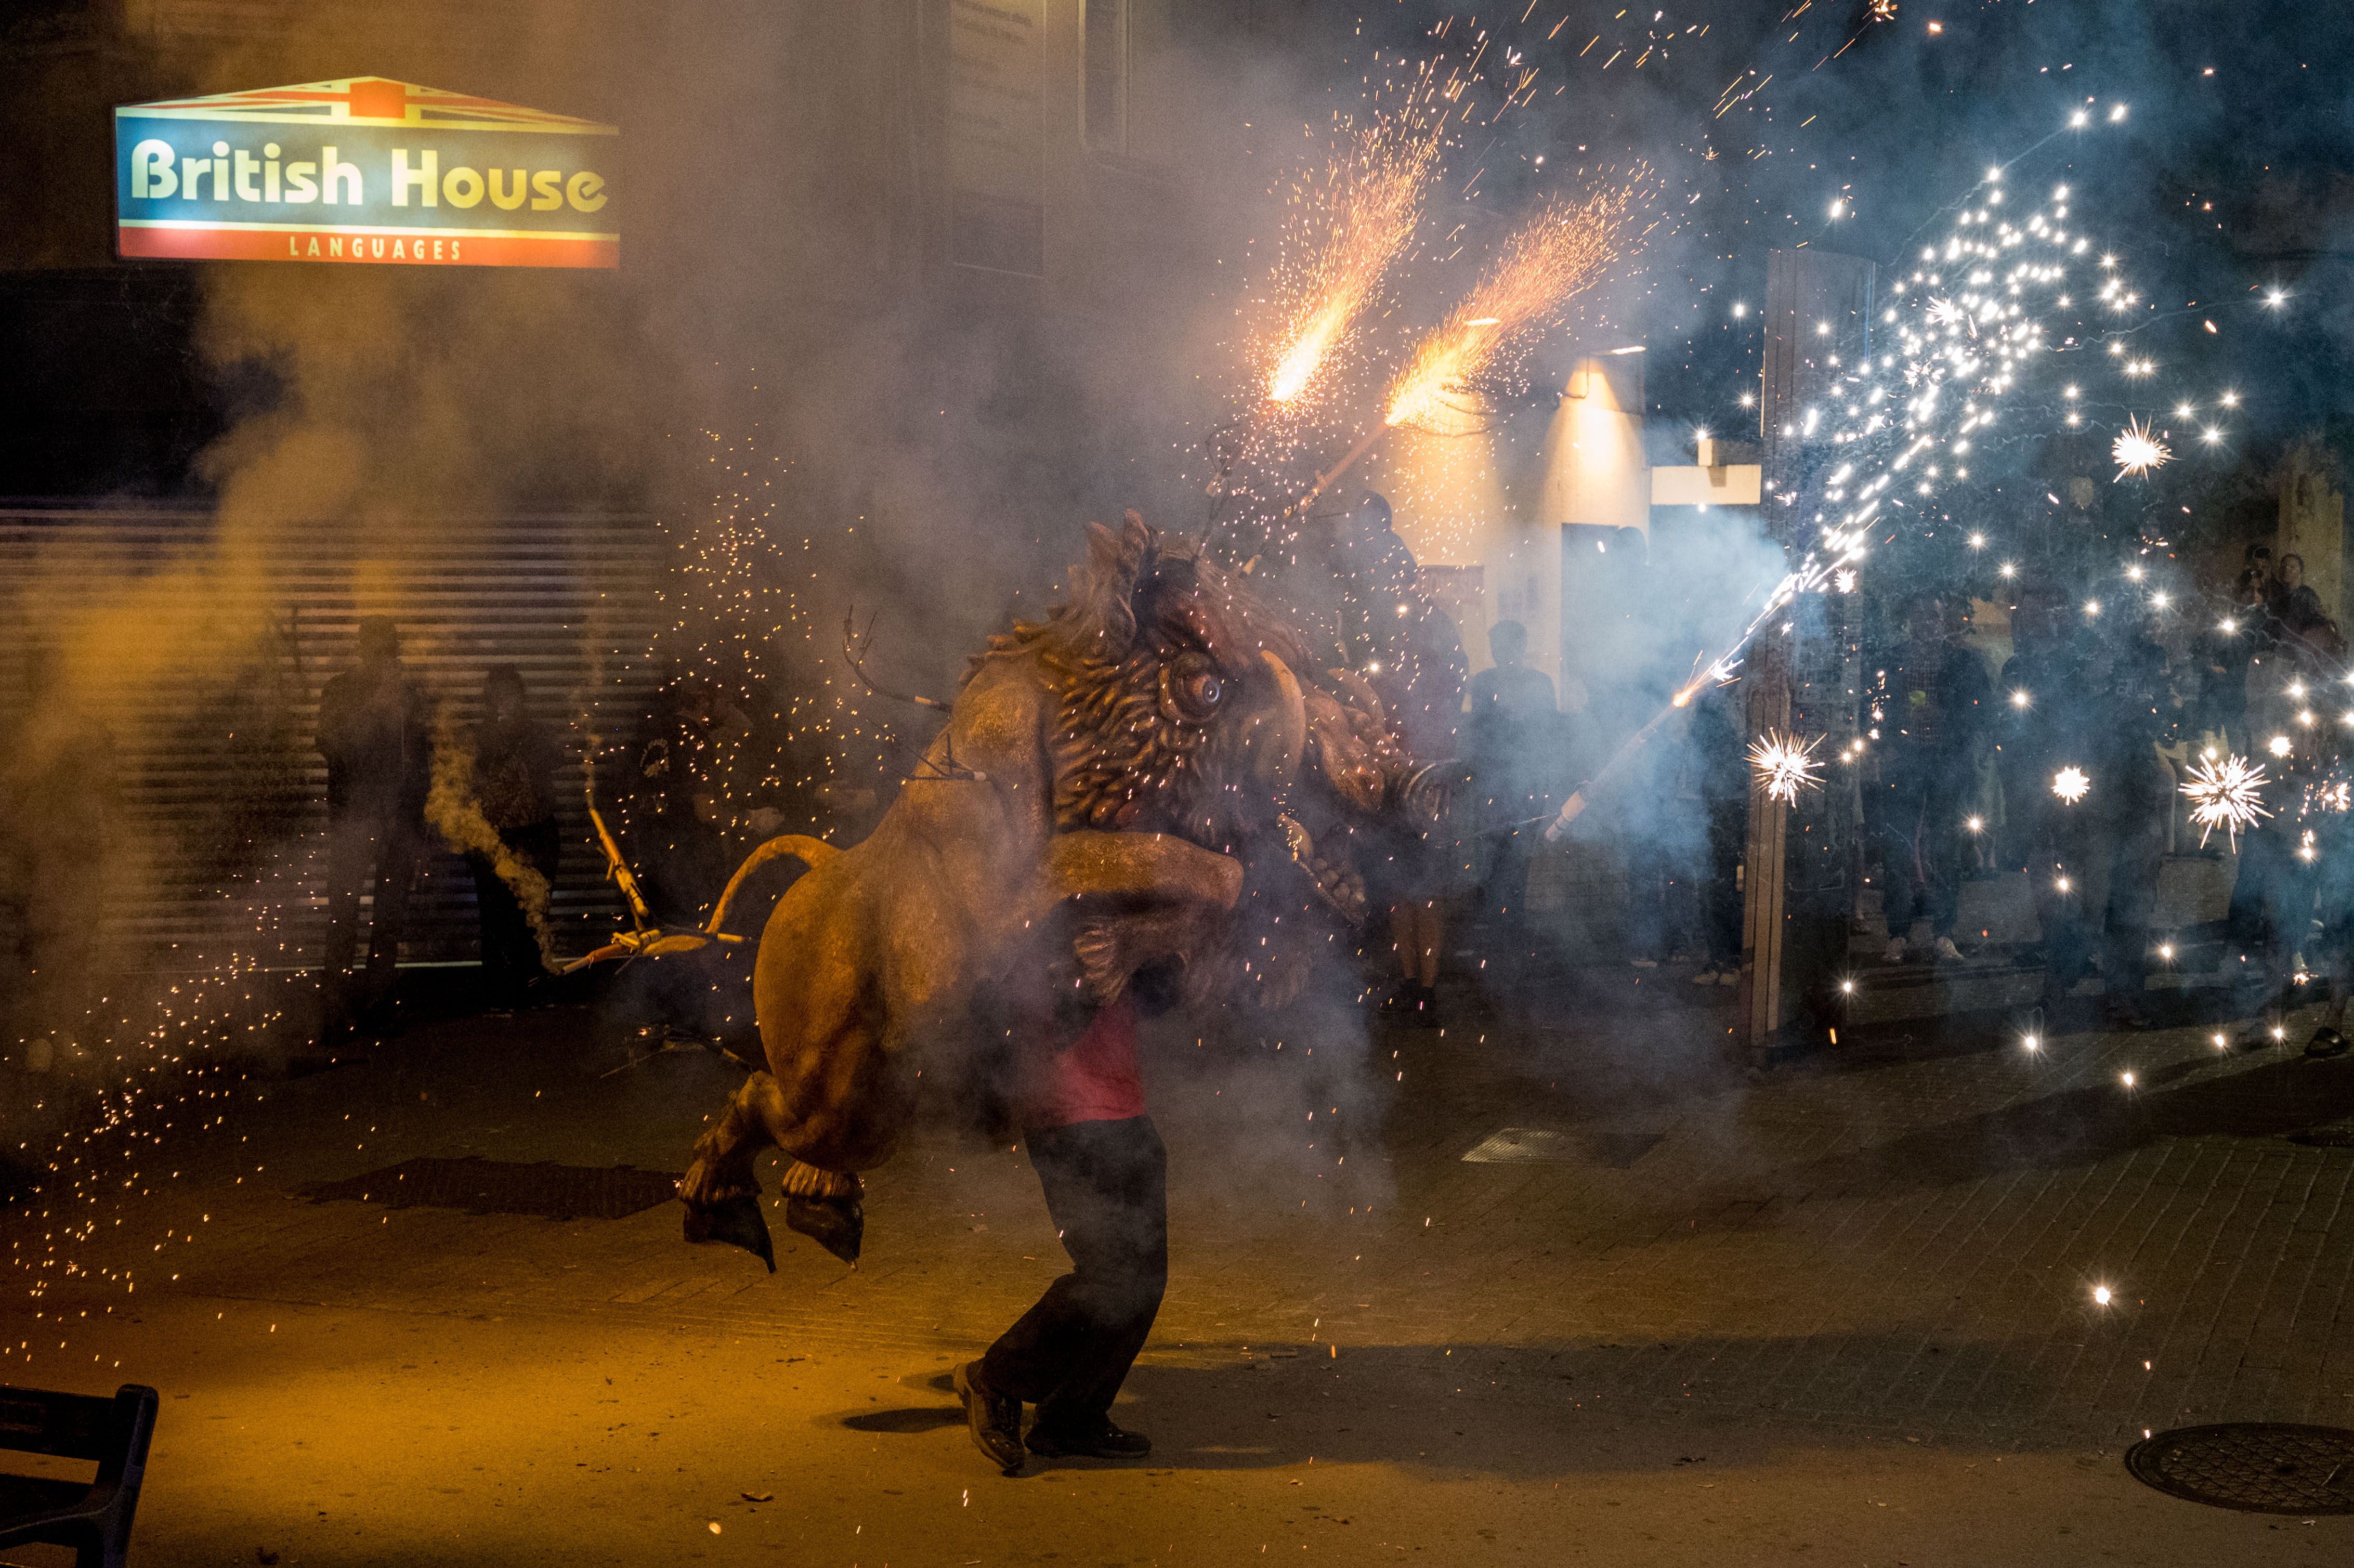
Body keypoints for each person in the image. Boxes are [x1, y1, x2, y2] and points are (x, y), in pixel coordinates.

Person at [958, 988, 1167, 1474]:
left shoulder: (1120, 919)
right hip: (1069, 1118)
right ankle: (996, 1378)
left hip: (1125, 1111)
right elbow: (1073, 998)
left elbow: (1157, 997)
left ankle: (1072, 1417)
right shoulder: (1051, 918)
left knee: (1143, 1282)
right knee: (1111, 1277)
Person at [1335, 494, 1466, 1023]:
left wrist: (1433, 757)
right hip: (1389, 767)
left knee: (1425, 886)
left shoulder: (1427, 624)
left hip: (1424, 769)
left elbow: (1447, 692)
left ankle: (1426, 991)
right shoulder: (1375, 612)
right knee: (1396, 883)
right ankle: (1410, 984)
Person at [317, 617, 431, 1036]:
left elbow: (423, 761)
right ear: (364, 652)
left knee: (388, 919)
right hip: (353, 820)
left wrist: (421, 828)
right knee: (343, 916)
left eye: (390, 652)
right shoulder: (340, 690)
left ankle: (377, 1004)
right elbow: (329, 745)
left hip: (399, 823)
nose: (386, 660)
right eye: (379, 651)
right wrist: (371, 710)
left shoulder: (410, 695)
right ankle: (335, 1009)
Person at [1871, 592, 1991, 962]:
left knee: (1945, 847)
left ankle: (1943, 932)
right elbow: (1875, 706)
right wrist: (1885, 743)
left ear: (1944, 621)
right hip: (1904, 761)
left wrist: (1955, 726)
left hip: (1946, 761)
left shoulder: (1963, 661)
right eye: (1921, 616)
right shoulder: (1892, 660)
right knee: (1898, 845)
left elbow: (1981, 708)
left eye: (1934, 617)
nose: (1927, 624)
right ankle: (1898, 932)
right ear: (1911, 620)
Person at [463, 665, 563, 1009]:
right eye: (498, 695)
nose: (505, 702)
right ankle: (496, 991)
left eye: (512, 694)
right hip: (493, 837)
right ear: (489, 701)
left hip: (536, 833)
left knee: (534, 913)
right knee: (495, 916)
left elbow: (556, 760)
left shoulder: (536, 732)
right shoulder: (477, 736)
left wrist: (523, 740)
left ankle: (533, 986)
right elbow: (465, 779)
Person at [1466, 620, 1557, 934]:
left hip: (1526, 783)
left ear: (1519, 647)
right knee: (1491, 855)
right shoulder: (1483, 682)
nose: (1498, 654)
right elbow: (1478, 732)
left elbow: (1548, 734)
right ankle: (1495, 924)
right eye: (1495, 648)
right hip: (1493, 783)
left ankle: (1513, 925)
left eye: (1503, 647)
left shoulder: (1540, 684)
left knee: (1519, 857)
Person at [1683, 682, 1747, 986]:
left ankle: (1732, 958)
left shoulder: (1745, 698)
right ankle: (1721, 957)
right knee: (1714, 881)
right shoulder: (1713, 699)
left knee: (1730, 881)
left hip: (1733, 798)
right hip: (1716, 798)